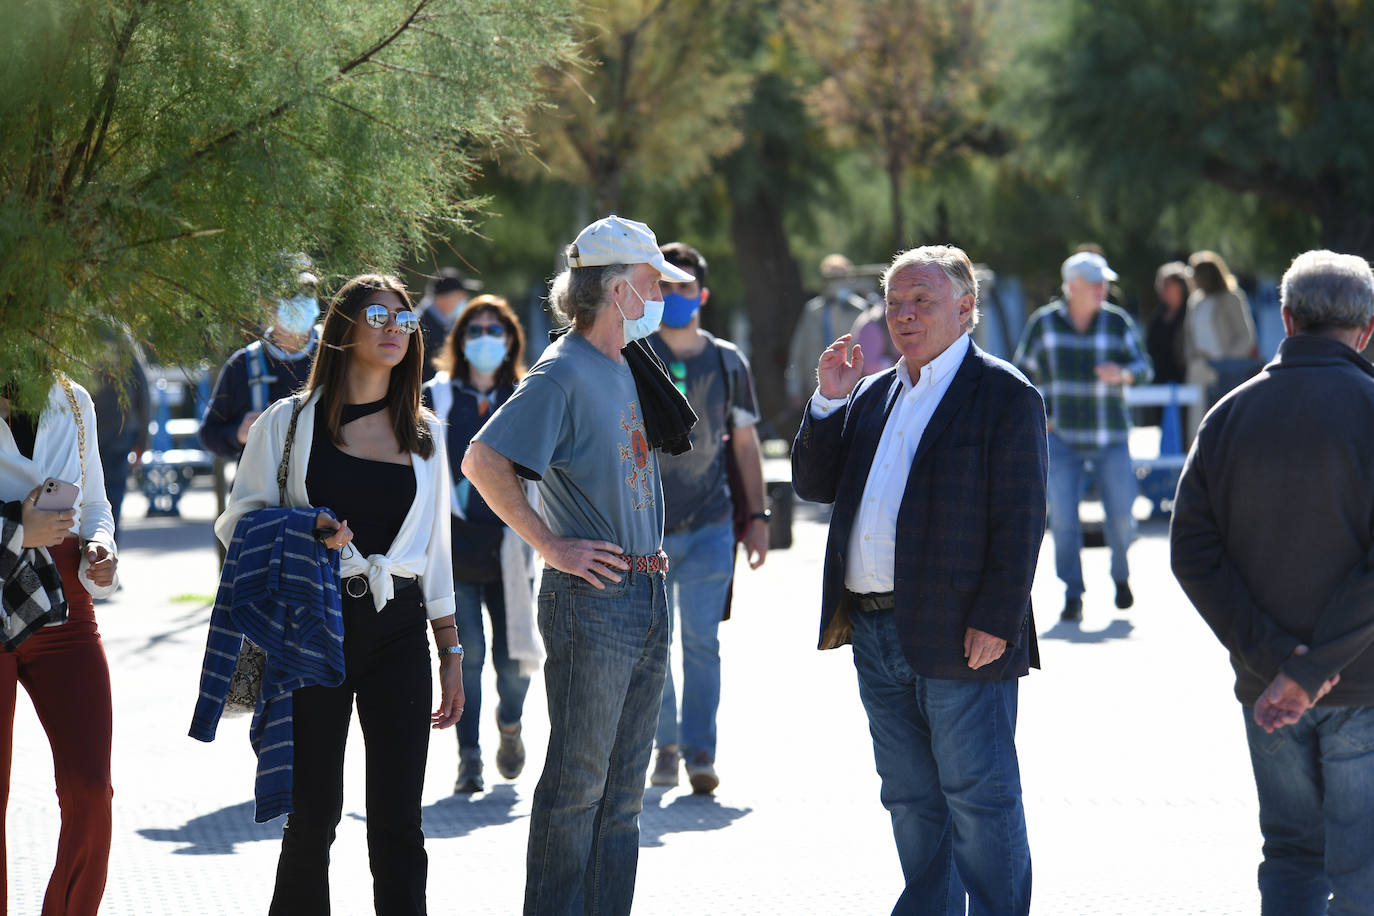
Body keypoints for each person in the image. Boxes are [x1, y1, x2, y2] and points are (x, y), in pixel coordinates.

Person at [792, 245, 1046, 916]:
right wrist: (827, 400)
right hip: (874, 629)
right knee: (909, 798)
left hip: (965, 633)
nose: (903, 316)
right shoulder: (874, 393)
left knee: (979, 797)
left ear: (965, 309)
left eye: (921, 302)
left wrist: (998, 617)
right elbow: (815, 485)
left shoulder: (1004, 394)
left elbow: (1021, 520)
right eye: (894, 303)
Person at [462, 215, 694, 914]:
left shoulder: (627, 362)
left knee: (623, 795)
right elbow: (483, 461)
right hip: (595, 599)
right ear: (620, 289)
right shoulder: (562, 370)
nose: (661, 295)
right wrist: (552, 545)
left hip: (645, 590)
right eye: (653, 282)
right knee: (579, 787)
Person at [214, 274, 462, 914]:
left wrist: (452, 651)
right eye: (378, 315)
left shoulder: (428, 434)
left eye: (405, 321)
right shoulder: (287, 423)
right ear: (344, 328)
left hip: (401, 631)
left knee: (399, 826)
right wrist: (304, 529)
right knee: (313, 819)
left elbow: (436, 551)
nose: (393, 329)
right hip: (312, 629)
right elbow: (235, 523)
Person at [1170, 249, 1374, 912]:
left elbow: (1191, 554)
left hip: (1266, 687)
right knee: (1364, 857)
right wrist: (1316, 667)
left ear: (1286, 319)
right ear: (1368, 329)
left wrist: (1276, 658)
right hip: (1362, 684)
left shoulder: (1227, 415)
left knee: (1289, 854)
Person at [645, 241, 769, 794]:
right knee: (654, 643)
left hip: (712, 524)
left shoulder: (726, 360)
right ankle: (663, 746)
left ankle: (699, 751)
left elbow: (745, 444)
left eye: (685, 287)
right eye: (665, 287)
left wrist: (760, 517)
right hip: (644, 530)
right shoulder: (632, 353)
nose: (675, 296)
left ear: (703, 294)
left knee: (701, 643)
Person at [1, 376, 119, 916]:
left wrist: (100, 544)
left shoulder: (73, 398)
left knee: (91, 788)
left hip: (65, 596)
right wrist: (15, 530)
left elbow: (94, 500)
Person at [422, 294, 539, 795]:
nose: (486, 340)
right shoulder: (436, 396)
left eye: (496, 330)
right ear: (460, 340)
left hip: (513, 548)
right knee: (464, 659)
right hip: (454, 551)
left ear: (510, 339)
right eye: (476, 331)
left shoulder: (530, 394)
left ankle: (509, 724)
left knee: (515, 662)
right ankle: (468, 756)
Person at [1013, 250, 1152, 622]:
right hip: (1062, 437)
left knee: (1122, 515)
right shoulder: (1043, 324)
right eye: (1096, 283)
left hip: (1111, 435)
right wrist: (1036, 415)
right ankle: (1073, 594)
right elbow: (1021, 375)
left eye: (1105, 283)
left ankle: (1121, 577)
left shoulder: (1117, 322)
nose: (1103, 289)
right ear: (1072, 288)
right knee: (1063, 519)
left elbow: (1145, 368)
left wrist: (1122, 373)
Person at [198, 262, 322, 461]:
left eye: (307, 294)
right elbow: (208, 434)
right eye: (290, 294)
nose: (300, 301)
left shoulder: (337, 356)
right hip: (262, 488)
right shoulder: (242, 364)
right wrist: (239, 434)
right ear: (266, 305)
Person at [1183, 249, 1259, 440]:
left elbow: (1245, 336)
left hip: (1226, 371)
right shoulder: (1195, 301)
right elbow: (1188, 336)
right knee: (1197, 423)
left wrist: (1225, 360)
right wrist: (1193, 355)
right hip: (1200, 369)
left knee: (1227, 423)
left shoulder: (1231, 297)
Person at [785, 254, 868, 411]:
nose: (836, 282)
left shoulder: (861, 310)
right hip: (816, 388)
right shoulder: (812, 311)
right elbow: (798, 352)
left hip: (854, 389)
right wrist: (794, 388)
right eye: (831, 277)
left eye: (840, 276)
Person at [90, 333, 151, 534]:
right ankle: (107, 550)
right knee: (111, 499)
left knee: (88, 499)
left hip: (94, 433)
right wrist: (143, 442)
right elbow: (144, 394)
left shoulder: (83, 343)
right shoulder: (124, 346)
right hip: (119, 432)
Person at [418, 267, 482, 383]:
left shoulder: (443, 323)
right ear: (444, 296)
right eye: (460, 296)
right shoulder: (421, 326)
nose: (463, 300)